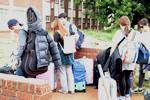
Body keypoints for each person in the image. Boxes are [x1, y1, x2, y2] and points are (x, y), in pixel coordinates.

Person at [110, 16, 139, 100]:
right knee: (128, 76)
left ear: (120, 24)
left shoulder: (119, 33)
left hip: (122, 58)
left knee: (122, 77)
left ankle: (122, 96)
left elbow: (114, 45)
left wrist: (110, 55)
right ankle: (127, 96)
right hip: (132, 59)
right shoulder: (135, 33)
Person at [53, 18, 76, 94]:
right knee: (69, 71)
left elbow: (55, 45)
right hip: (70, 52)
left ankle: (64, 89)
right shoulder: (67, 30)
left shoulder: (57, 33)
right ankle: (71, 89)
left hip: (62, 53)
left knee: (62, 71)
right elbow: (76, 36)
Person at [133, 18, 150, 93]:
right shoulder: (141, 33)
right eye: (140, 27)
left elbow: (146, 42)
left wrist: (139, 40)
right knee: (142, 71)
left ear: (147, 25)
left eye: (142, 27)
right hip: (143, 55)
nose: (141, 28)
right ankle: (140, 87)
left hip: (148, 54)